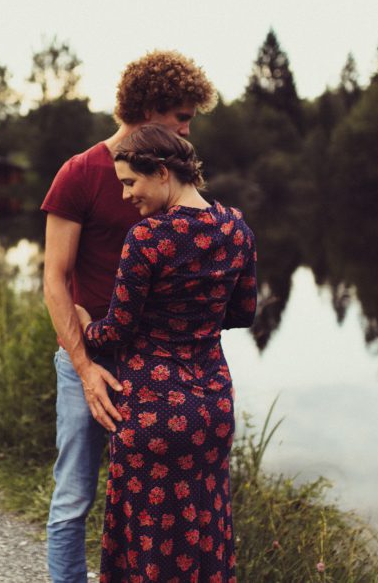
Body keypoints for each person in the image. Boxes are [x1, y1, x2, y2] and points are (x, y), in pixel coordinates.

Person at [42, 51, 217, 583]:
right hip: (88, 360)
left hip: (158, 368)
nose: (189, 131)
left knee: (151, 508)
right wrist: (85, 367)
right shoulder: (81, 173)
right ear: (149, 109)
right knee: (75, 496)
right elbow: (55, 279)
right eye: (182, 117)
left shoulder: (168, 178)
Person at [74, 124, 257, 582]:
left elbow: (117, 331)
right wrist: (194, 320)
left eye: (129, 183)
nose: (124, 196)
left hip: (153, 411)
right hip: (212, 405)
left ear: (160, 172)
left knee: (148, 542)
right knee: (205, 530)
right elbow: (245, 312)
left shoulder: (146, 238)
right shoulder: (236, 227)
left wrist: (83, 329)